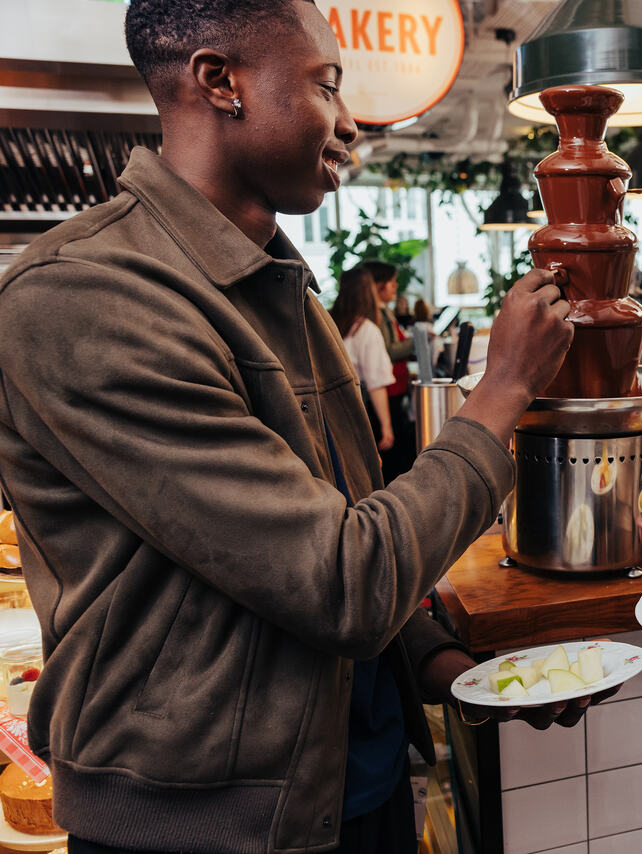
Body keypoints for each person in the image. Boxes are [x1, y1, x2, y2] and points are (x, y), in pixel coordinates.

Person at [0, 2, 608, 853]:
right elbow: (341, 580)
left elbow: (342, 530)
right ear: (220, 82)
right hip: (205, 829)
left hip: (349, 784)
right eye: (327, 85)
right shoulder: (81, 298)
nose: (351, 121)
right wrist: (502, 388)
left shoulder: (285, 290)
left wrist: (443, 664)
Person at [331, 267, 397, 452]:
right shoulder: (366, 330)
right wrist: (386, 426)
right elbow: (376, 383)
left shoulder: (327, 323)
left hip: (327, 411)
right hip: (356, 409)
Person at [363, 260, 417, 480]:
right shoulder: (373, 317)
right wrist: (416, 342)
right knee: (394, 456)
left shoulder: (384, 312)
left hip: (395, 389)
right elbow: (387, 350)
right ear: (378, 285)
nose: (395, 286)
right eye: (391, 282)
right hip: (387, 393)